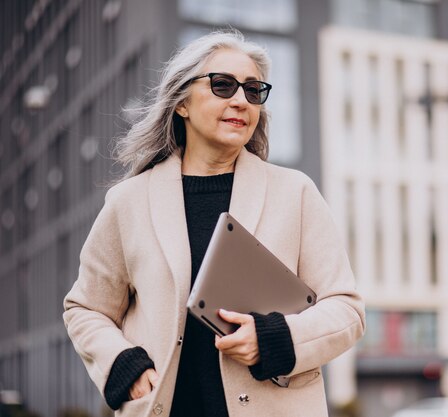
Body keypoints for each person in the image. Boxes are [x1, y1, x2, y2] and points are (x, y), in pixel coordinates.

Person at [62, 30, 365, 417]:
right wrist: (123, 364)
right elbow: (85, 308)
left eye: (253, 90)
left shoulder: (296, 192)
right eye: (223, 85)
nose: (241, 100)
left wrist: (275, 340)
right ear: (182, 103)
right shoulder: (129, 202)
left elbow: (347, 311)